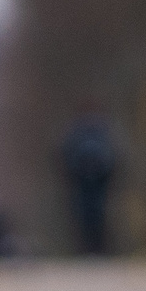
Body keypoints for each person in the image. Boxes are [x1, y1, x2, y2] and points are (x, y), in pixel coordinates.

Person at [57, 108, 118, 256]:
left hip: (97, 184)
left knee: (97, 216)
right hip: (82, 183)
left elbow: (112, 159)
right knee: (83, 215)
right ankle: (86, 249)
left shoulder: (100, 134)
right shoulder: (81, 134)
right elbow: (66, 156)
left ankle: (97, 249)